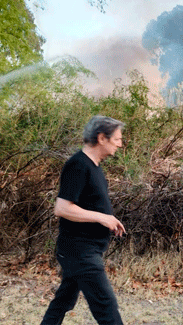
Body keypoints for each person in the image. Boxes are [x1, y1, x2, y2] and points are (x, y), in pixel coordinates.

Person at [41, 115, 127, 325]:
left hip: (85, 250)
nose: (120, 144)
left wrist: (108, 219)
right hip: (80, 251)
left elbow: (88, 205)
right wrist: (102, 217)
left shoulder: (94, 166)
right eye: (117, 139)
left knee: (64, 300)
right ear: (101, 138)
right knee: (106, 307)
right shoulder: (78, 165)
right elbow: (62, 208)